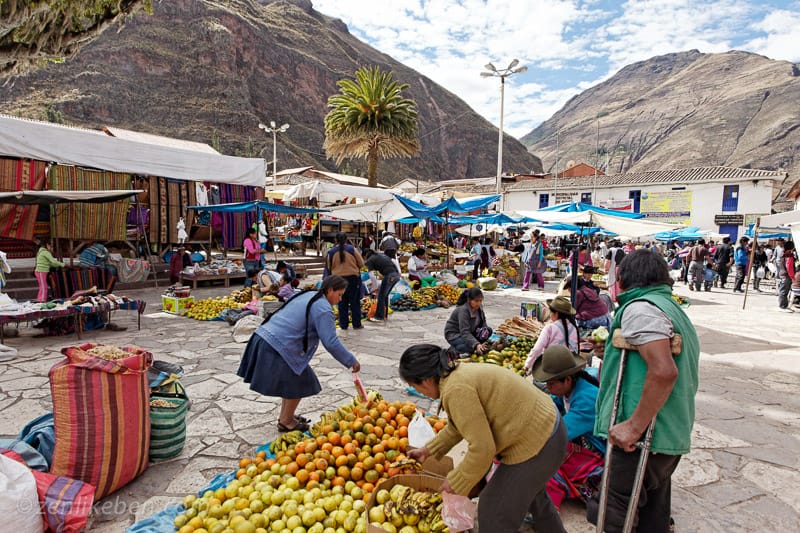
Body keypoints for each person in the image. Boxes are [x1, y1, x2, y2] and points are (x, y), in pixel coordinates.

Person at [587, 250, 700, 532]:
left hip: (641, 440)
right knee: (652, 516)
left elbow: (664, 371)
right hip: (667, 434)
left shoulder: (640, 309)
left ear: (622, 281)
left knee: (613, 514)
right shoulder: (670, 308)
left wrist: (634, 426)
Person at [401, 344, 567, 533]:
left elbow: (482, 449)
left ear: (426, 380)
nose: (418, 391)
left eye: (414, 386)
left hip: (539, 441)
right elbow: (459, 426)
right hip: (549, 429)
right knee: (532, 496)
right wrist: (427, 451)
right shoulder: (455, 376)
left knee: (493, 511)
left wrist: (456, 480)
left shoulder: (456, 390)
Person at [237, 275, 361, 432]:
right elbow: (331, 342)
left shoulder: (309, 294)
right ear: (330, 290)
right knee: (301, 381)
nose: (340, 299)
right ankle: (286, 421)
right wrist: (350, 360)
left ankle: (286, 417)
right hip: (278, 345)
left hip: (265, 337)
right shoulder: (323, 308)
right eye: (340, 294)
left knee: (293, 381)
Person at [532, 345, 604, 511]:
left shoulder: (586, 399)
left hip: (600, 454)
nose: (548, 387)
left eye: (551, 383)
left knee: (544, 456)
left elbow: (558, 433)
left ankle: (549, 508)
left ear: (568, 380)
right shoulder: (565, 393)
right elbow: (550, 412)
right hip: (581, 443)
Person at [523, 296, 580, 374]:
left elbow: (537, 350)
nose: (550, 315)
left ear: (556, 313)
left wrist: (527, 365)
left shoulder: (550, 328)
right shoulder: (574, 327)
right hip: (571, 366)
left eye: (550, 312)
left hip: (554, 367)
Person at [325, 232, 365, 330]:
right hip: (353, 279)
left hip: (337, 280)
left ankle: (343, 324)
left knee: (341, 302)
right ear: (346, 239)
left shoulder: (331, 252)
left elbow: (329, 267)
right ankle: (357, 324)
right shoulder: (352, 249)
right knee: (355, 302)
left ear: (335, 240)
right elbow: (361, 263)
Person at [444, 287, 491, 356]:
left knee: (489, 330)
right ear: (469, 300)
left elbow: (483, 322)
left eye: (480, 301)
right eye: (476, 301)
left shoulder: (479, 307)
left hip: (471, 331)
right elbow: (465, 332)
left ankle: (475, 344)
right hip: (455, 335)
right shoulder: (463, 311)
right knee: (468, 347)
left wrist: (485, 330)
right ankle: (454, 349)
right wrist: (476, 344)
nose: (479, 303)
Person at [363, 250, 400, 322]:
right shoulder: (381, 256)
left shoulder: (370, 260)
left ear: (366, 255)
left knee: (381, 296)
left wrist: (374, 288)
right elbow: (394, 263)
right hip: (396, 275)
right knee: (385, 296)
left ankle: (379, 317)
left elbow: (372, 276)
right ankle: (384, 315)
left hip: (389, 275)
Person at [574, 266, 612, 330]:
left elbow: (597, 290)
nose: (589, 276)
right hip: (586, 305)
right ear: (584, 274)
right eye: (588, 274)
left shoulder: (591, 282)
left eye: (591, 275)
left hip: (592, 306)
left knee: (605, 297)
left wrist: (595, 288)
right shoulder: (580, 282)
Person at [35, 237, 64, 302]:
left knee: (42, 286)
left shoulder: (42, 251)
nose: (52, 248)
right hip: (41, 271)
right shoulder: (45, 252)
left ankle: (39, 299)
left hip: (41, 271)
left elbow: (51, 264)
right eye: (51, 246)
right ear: (47, 245)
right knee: (44, 287)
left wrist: (59, 265)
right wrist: (63, 264)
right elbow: (53, 261)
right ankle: (42, 300)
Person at [776, 241, 795, 312]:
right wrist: (792, 277)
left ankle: (783, 305)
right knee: (784, 290)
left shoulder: (783, 253)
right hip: (786, 275)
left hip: (782, 273)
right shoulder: (789, 254)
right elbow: (789, 267)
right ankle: (782, 306)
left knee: (783, 290)